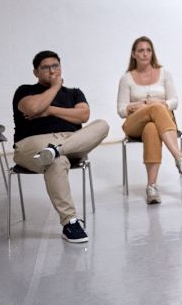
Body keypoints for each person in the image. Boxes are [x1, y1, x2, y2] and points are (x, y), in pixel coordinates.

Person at [12, 50, 109, 243]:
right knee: (56, 161)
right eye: (45, 68)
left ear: (61, 67)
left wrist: (48, 110)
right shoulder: (25, 91)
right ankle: (70, 222)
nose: (52, 71)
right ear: (35, 72)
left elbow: (83, 116)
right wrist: (55, 87)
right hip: (33, 142)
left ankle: (55, 150)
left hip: (71, 142)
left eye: (55, 66)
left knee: (102, 125)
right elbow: (33, 108)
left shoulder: (74, 93)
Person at [117, 36, 182, 205]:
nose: (145, 54)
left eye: (148, 50)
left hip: (158, 121)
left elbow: (174, 101)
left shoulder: (164, 74)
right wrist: (134, 106)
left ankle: (151, 187)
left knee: (152, 128)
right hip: (135, 123)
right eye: (141, 50)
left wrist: (160, 103)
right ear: (134, 54)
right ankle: (180, 159)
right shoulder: (126, 78)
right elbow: (121, 110)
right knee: (155, 109)